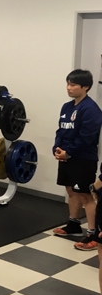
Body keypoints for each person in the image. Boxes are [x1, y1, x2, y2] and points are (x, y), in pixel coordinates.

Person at [52, 69, 102, 251]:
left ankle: (93, 234)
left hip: (83, 159)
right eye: (68, 84)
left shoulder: (91, 109)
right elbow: (61, 131)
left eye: (73, 85)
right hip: (66, 157)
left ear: (85, 87)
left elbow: (86, 137)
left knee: (86, 195)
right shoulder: (67, 107)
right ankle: (73, 224)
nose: (69, 88)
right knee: (71, 191)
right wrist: (57, 149)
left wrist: (69, 152)